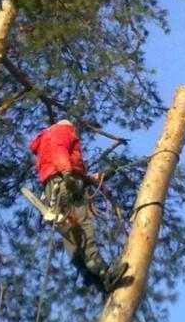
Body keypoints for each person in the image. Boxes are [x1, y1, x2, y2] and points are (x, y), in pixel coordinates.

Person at [28, 119, 129, 293]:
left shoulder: (46, 141)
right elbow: (59, 149)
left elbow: (64, 163)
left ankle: (93, 276)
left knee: (73, 236)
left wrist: (92, 179)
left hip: (57, 188)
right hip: (66, 184)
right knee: (84, 230)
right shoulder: (62, 131)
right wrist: (67, 173)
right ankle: (104, 274)